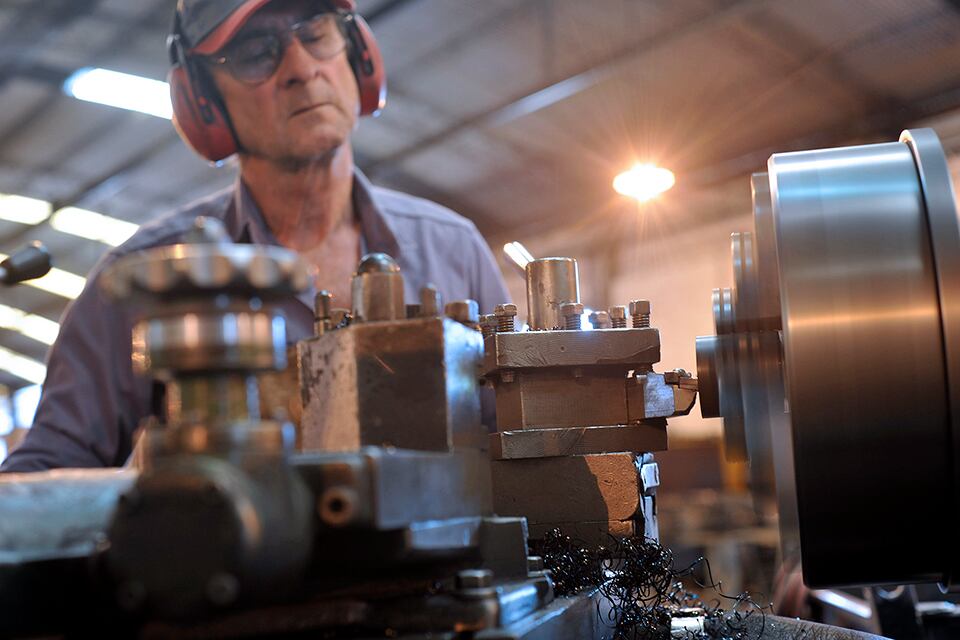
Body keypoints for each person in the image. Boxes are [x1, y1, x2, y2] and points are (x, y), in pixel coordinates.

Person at [1, 0, 509, 472]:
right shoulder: (142, 280)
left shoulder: (454, 249)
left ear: (360, 56)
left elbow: (518, 444)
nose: (302, 69)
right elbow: (41, 481)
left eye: (316, 31)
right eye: (254, 53)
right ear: (202, 104)